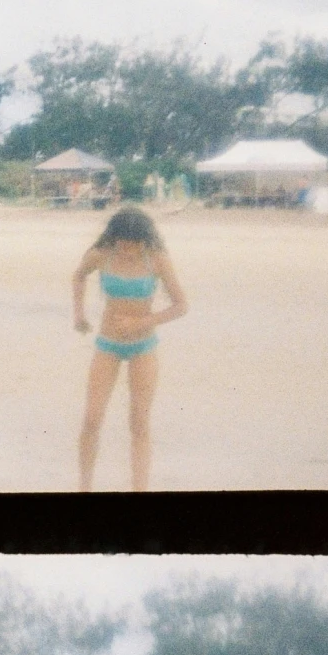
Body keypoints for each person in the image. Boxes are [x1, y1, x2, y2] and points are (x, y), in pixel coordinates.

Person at [71, 206, 187, 491]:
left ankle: (140, 490)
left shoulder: (157, 259)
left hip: (143, 347)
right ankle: (84, 488)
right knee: (92, 418)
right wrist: (79, 315)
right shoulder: (101, 254)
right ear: (114, 237)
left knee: (139, 422)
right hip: (107, 345)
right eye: (121, 242)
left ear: (144, 240)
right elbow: (78, 275)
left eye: (133, 243)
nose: (126, 248)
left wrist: (143, 322)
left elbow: (181, 305)